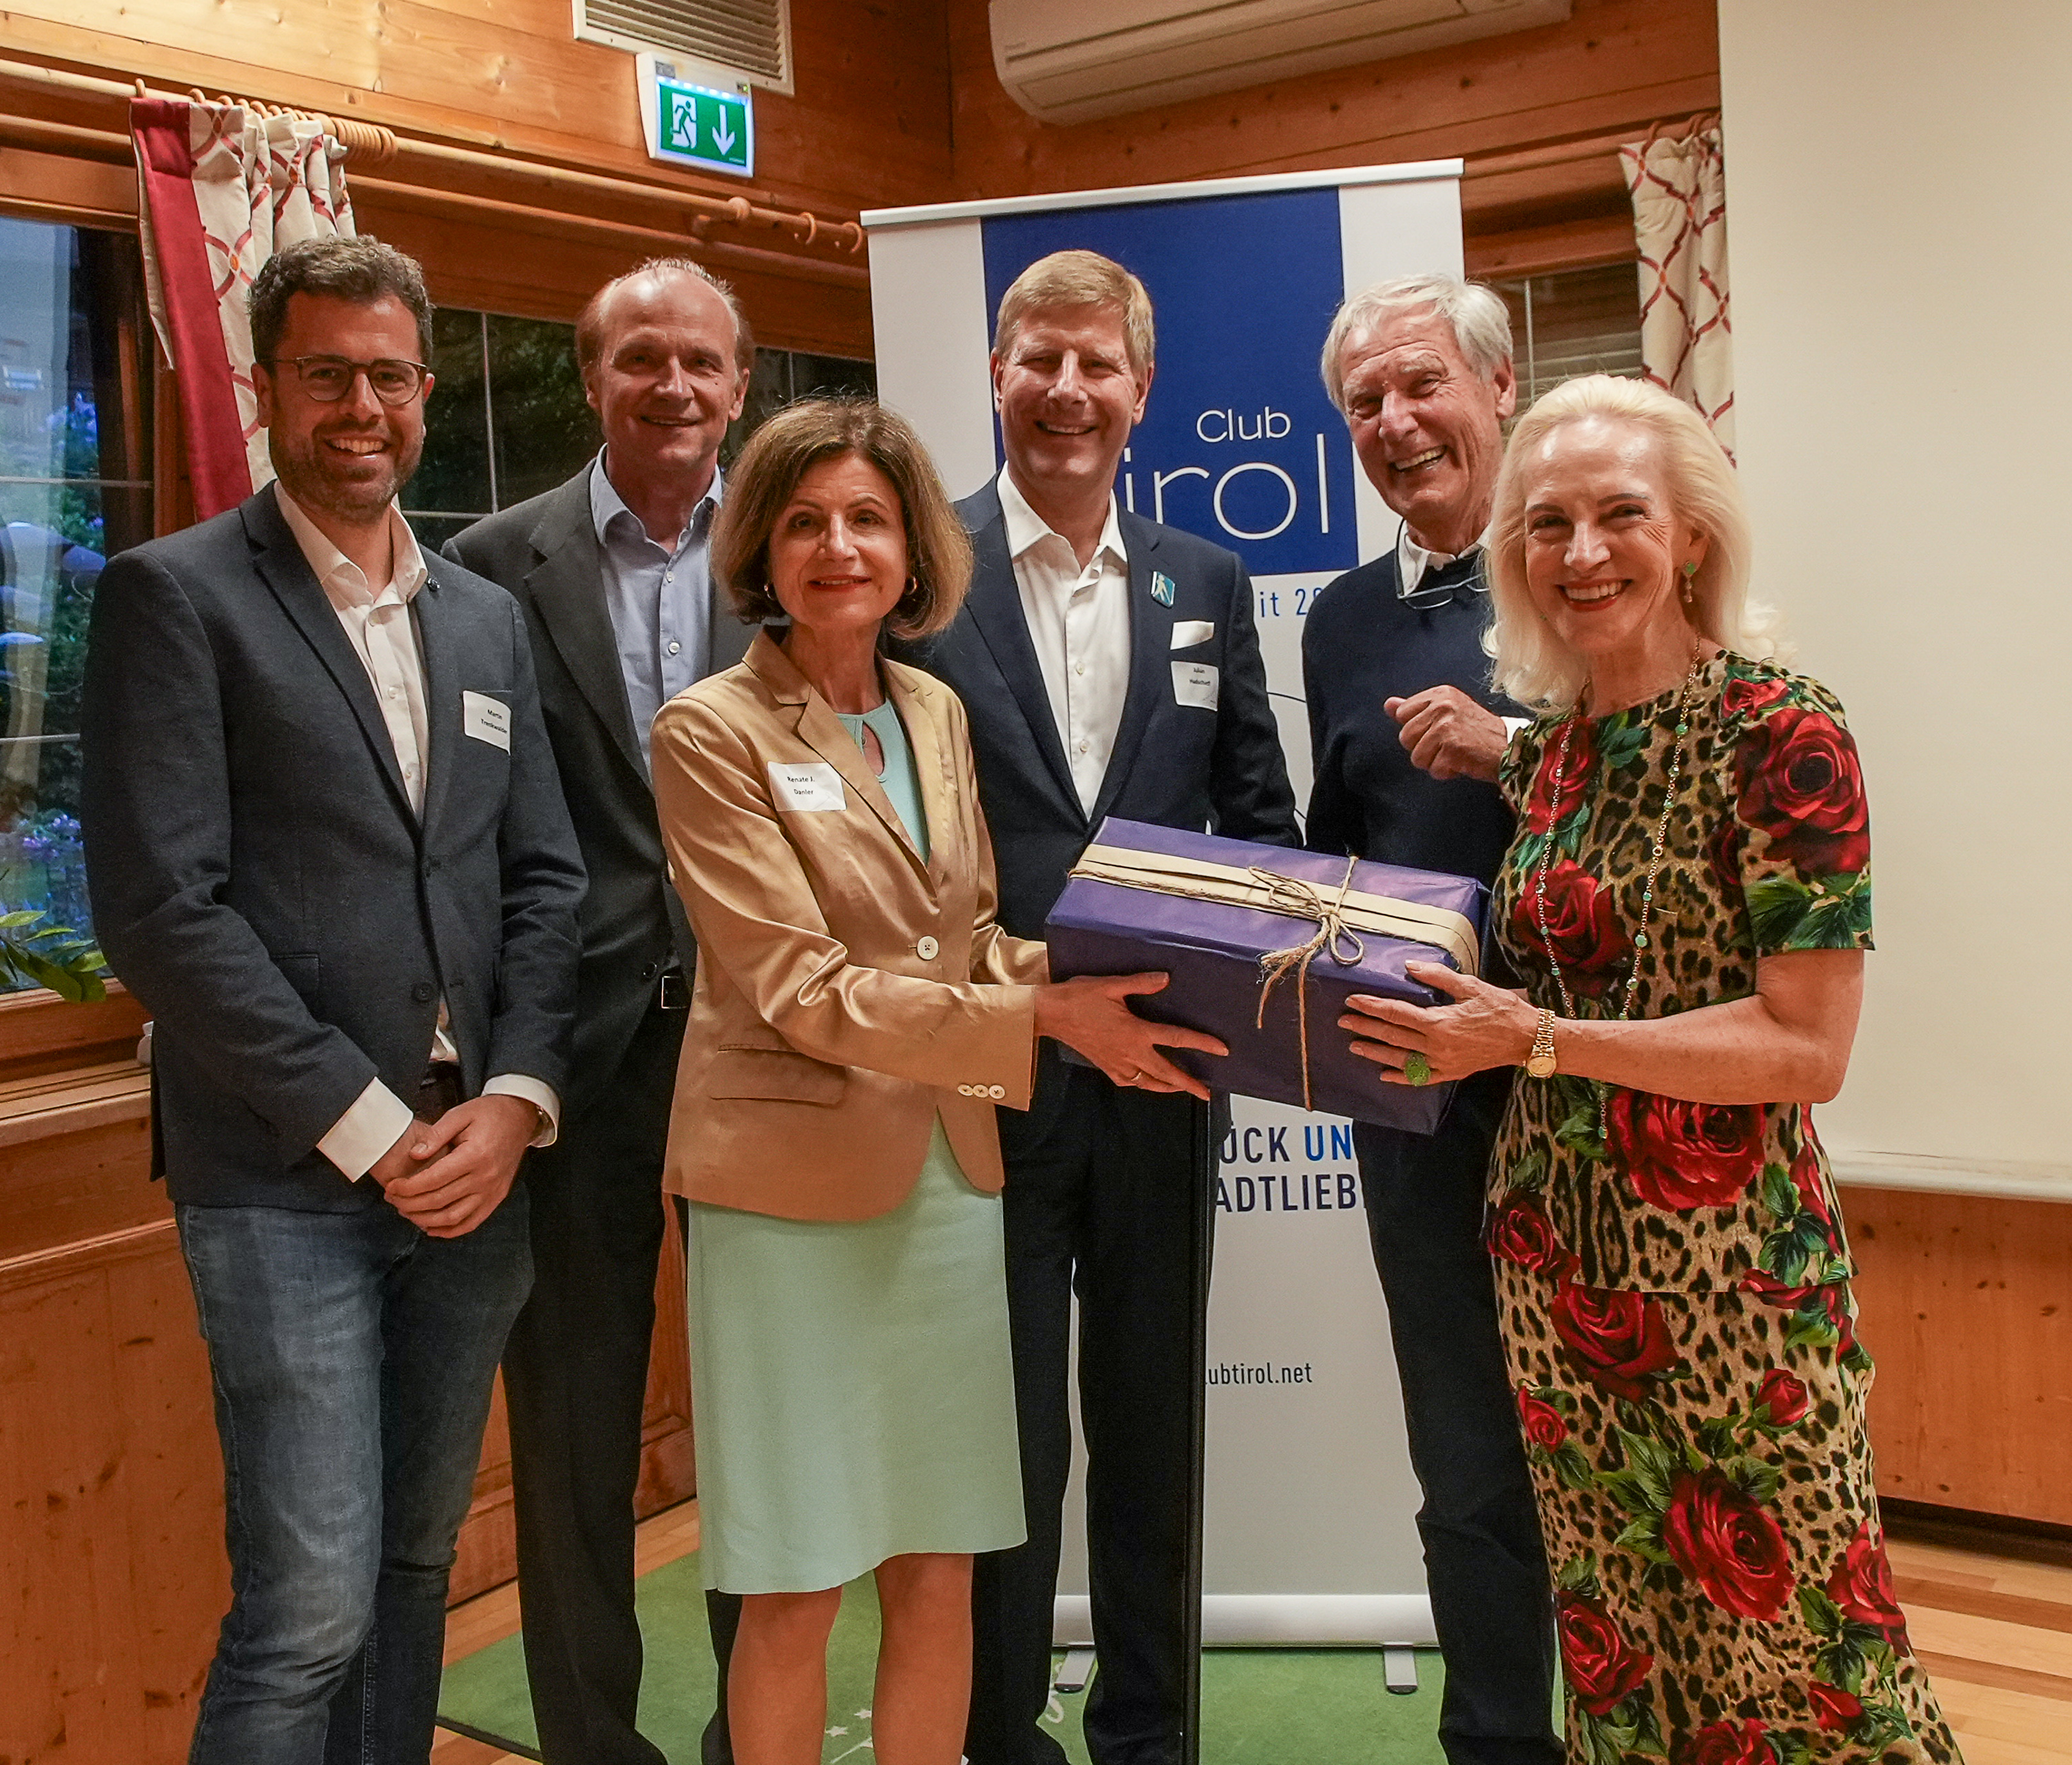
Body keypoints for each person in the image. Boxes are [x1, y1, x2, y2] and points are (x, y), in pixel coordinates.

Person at [1341, 374, 1960, 1763]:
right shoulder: (1556, 757)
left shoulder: (1784, 732)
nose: (1581, 553)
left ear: (1690, 535)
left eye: (1619, 515)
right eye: (1545, 523)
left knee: (1802, 1658)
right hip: (1553, 1267)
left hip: (1732, 1281)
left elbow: (1807, 1049)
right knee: (1622, 1648)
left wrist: (1535, 1039)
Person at [646, 397, 1222, 1765]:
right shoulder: (709, 731)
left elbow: (965, 945)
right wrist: (1043, 1021)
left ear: (912, 548)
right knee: (793, 1580)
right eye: (803, 522)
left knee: (940, 1562)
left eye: (867, 518)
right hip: (786, 1204)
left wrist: (1119, 973)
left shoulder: (933, 709)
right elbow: (798, 987)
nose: (837, 547)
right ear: (760, 549)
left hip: (950, 1187)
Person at [83, 235, 586, 1763]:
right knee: (305, 1609)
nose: (360, 407)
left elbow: (544, 882)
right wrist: (369, 1129)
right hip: (284, 1181)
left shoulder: (483, 618)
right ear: (267, 387)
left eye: (387, 376)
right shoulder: (175, 598)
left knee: (414, 1569)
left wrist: (515, 1102)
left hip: (475, 1168)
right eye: (325, 375)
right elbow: (160, 913)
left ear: (423, 390)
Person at [914, 248, 1298, 1765]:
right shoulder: (917, 566)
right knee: (1000, 1441)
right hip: (982, 1080)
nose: (1066, 391)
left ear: (1142, 389)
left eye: (1096, 365)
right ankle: (1000, 1735)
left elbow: (1257, 818)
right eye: (1039, 359)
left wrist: (1249, 994)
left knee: (1151, 1431)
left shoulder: (1203, 577)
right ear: (995, 374)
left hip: (1163, 1081)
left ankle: (1148, 1737)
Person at [443, 256, 751, 1765]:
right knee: (571, 1426)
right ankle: (590, 1744)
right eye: (641, 358)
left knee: (765, 1411)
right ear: (592, 379)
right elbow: (465, 825)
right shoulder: (489, 566)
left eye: (699, 360)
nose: (671, 386)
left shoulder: (801, 545)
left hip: (768, 1045)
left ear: (738, 387)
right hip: (573, 1055)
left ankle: (754, 1732)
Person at [1302, 274, 1557, 1765]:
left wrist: (1507, 746)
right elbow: (1336, 847)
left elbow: (1670, 777)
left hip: (1594, 1092)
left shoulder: (1589, 562)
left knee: (1626, 1442)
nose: (1394, 423)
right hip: (1416, 1105)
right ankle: (1497, 1744)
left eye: (1420, 386)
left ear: (1497, 384)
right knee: (1463, 1457)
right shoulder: (1342, 619)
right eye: (1364, 403)